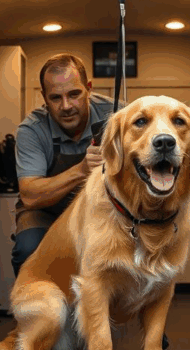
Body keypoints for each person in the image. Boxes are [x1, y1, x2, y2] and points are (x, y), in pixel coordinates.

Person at [11, 53, 116, 276]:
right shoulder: (32, 130)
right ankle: (36, 308)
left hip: (101, 208)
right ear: (44, 97)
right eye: (56, 98)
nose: (66, 106)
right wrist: (81, 170)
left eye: (74, 94)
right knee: (28, 250)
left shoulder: (116, 115)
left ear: (89, 88)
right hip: (45, 211)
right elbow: (30, 195)